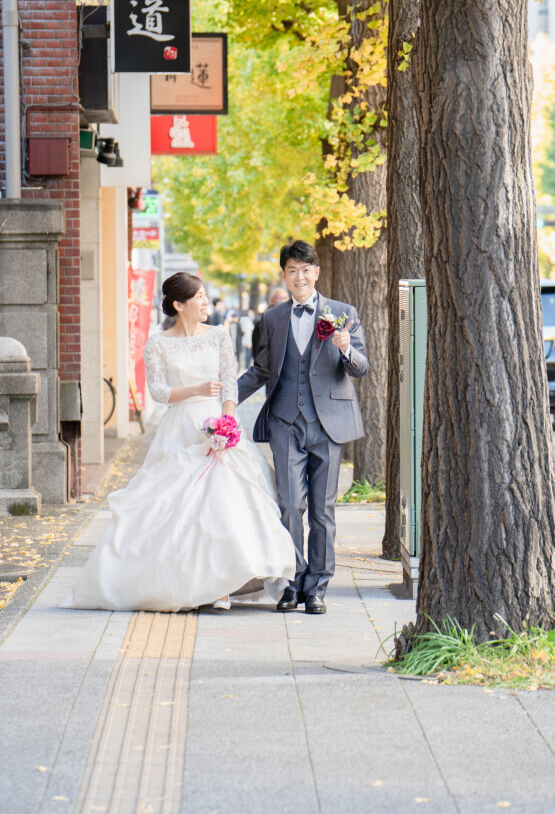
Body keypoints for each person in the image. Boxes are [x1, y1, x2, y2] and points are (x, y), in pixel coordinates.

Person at [64, 272, 295, 612]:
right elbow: (158, 392)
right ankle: (190, 584)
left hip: (218, 424)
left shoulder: (218, 335)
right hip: (180, 428)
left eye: (205, 295)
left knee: (225, 505)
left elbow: (229, 386)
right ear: (178, 305)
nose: (205, 302)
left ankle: (222, 583)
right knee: (177, 509)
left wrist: (228, 423)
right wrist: (196, 390)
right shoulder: (158, 343)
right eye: (198, 297)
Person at [238, 240, 369, 615]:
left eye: (306, 270)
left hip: (329, 424)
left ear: (316, 273)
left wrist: (345, 347)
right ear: (284, 274)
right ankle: (292, 583)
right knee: (290, 505)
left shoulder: (342, 313)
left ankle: (317, 589)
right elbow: (261, 370)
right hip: (284, 421)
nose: (299, 276)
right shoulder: (272, 319)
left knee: (323, 510)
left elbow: (361, 367)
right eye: (292, 270)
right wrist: (224, 399)